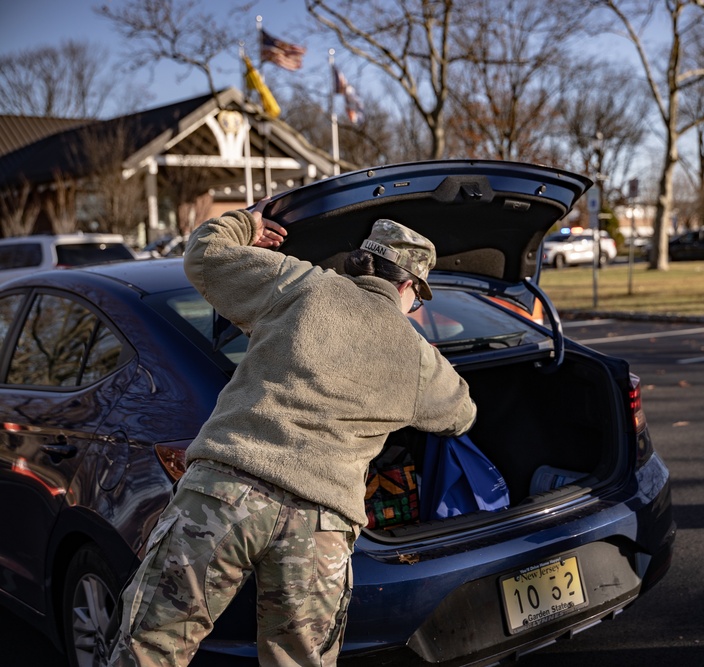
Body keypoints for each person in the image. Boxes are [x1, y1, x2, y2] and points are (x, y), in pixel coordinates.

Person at [107, 200, 477, 666]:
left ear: (361, 262)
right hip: (321, 525)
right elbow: (460, 412)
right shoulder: (416, 355)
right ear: (408, 287)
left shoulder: (301, 283)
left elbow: (203, 254)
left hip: (226, 493)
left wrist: (247, 224)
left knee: (150, 647)